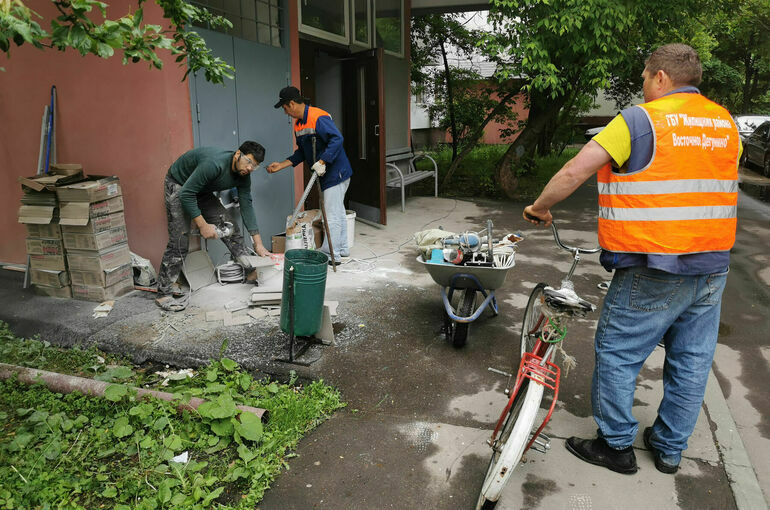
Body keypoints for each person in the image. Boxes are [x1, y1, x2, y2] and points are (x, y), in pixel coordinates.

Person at [523, 44, 740, 475]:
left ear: (661, 77)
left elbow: (574, 170)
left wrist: (540, 207)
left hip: (653, 266)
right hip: (713, 266)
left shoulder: (640, 120)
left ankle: (616, 445)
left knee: (618, 352)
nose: (642, 85)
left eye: (644, 76)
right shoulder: (725, 123)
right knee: (692, 360)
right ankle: (668, 448)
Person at [156, 142, 272, 311]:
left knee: (230, 227)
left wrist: (258, 243)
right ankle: (163, 292)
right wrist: (202, 225)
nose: (249, 168)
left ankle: (251, 271)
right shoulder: (214, 164)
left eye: (255, 166)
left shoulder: (244, 175)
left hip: (200, 189)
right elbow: (187, 193)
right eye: (248, 162)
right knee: (179, 239)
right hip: (180, 184)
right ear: (237, 154)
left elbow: (246, 204)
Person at [267, 86, 353, 264]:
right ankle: (342, 248)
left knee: (332, 214)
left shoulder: (317, 116)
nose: (285, 112)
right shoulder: (299, 124)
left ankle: (331, 255)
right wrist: (281, 165)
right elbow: (302, 152)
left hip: (336, 172)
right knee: (337, 211)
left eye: (284, 108)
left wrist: (323, 161)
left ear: (291, 104)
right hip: (324, 174)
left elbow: (337, 139)